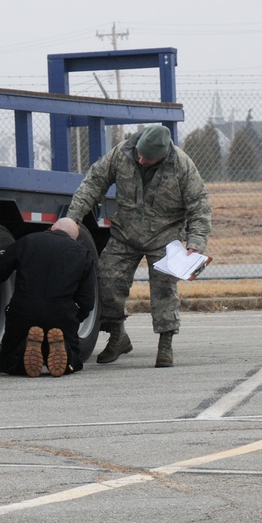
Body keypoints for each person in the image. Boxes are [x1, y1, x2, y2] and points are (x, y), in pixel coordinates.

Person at [65, 124, 211, 368]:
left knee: (164, 292)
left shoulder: (182, 165)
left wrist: (195, 243)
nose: (141, 160)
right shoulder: (122, 154)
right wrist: (73, 218)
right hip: (125, 234)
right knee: (106, 284)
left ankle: (165, 345)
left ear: (163, 155)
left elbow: (199, 206)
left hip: (165, 238)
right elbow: (93, 184)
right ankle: (118, 336)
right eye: (140, 155)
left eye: (148, 158)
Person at [0, 217, 96, 377]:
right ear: (73, 238)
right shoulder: (83, 254)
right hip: (62, 316)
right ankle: (62, 348)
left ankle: (23, 349)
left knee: (9, 361)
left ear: (52, 228)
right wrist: (75, 317)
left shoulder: (28, 241)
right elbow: (87, 301)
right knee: (74, 362)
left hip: (24, 313)